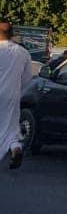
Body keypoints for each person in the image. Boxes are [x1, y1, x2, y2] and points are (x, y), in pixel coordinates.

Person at [0, 19, 34, 171]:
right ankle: (15, 148)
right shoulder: (22, 52)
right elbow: (27, 78)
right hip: (12, 96)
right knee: (11, 127)